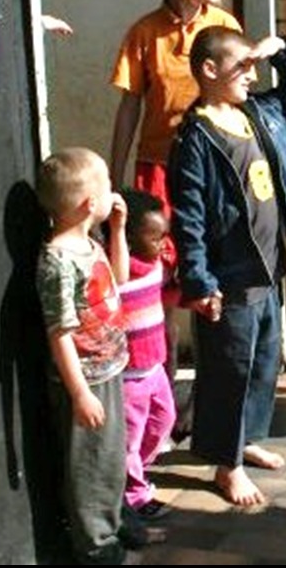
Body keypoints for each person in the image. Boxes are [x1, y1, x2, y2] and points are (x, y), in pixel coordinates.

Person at [167, 25, 286, 506]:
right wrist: (199, 280)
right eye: (242, 66)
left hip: (267, 269)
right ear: (210, 70)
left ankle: (246, 439)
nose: (251, 75)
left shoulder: (258, 113)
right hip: (228, 277)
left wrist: (284, 51)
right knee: (228, 370)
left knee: (261, 363)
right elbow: (188, 217)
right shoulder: (195, 138)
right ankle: (225, 465)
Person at [109, 0, 242, 437]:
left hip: (213, 172)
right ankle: (159, 414)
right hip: (159, 172)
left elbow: (239, 96)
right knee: (158, 295)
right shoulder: (145, 33)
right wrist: (117, 178)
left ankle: (209, 411)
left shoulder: (224, 25)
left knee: (212, 288)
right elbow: (129, 107)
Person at [34, 147, 130, 564]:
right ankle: (96, 547)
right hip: (87, 380)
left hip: (110, 368)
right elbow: (60, 334)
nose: (114, 192)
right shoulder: (57, 261)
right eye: (108, 185)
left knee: (110, 459)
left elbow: (120, 279)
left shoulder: (89, 243)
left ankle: (115, 522)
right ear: (90, 203)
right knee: (90, 466)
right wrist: (79, 394)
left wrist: (119, 231)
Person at [114, 187, 179, 520]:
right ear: (127, 238)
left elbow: (164, 296)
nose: (163, 245)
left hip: (155, 369)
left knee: (164, 420)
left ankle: (136, 470)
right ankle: (135, 494)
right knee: (129, 438)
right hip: (128, 377)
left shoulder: (157, 268)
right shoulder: (116, 277)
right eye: (156, 238)